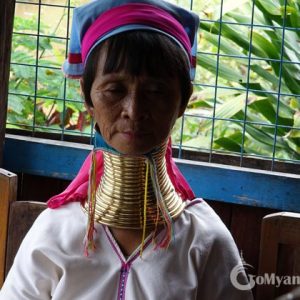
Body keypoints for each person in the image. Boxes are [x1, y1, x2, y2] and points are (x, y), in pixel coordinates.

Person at [0, 0, 254, 299]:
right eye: (114, 90)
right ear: (88, 98)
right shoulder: (56, 232)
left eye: (156, 91)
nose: (134, 110)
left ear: (183, 102)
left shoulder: (205, 240)